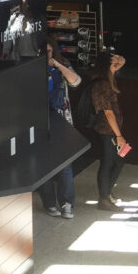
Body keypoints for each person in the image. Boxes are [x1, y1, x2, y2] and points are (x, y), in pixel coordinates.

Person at [38, 36, 82, 218]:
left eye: (49, 51)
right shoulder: (33, 69)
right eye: (43, 52)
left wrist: (57, 64)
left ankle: (67, 203)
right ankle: (49, 203)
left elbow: (76, 81)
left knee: (65, 165)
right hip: (40, 122)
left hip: (62, 120)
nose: (46, 55)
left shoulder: (61, 66)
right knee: (44, 166)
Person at [91, 49, 127, 211]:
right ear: (106, 66)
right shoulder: (102, 84)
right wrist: (118, 135)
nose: (116, 66)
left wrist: (116, 58)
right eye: (112, 64)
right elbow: (108, 112)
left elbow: (122, 61)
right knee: (109, 163)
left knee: (117, 161)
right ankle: (104, 198)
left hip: (111, 129)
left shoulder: (107, 78)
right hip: (107, 130)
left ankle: (106, 193)